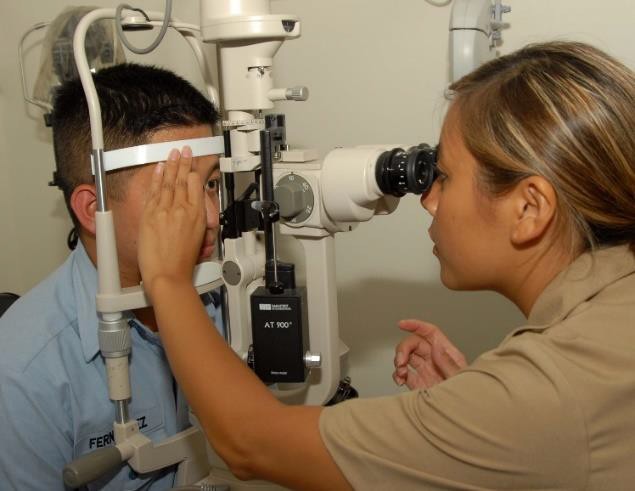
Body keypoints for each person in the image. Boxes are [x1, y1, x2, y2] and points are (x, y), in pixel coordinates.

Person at [137, 41, 635, 490]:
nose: (429, 200)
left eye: (444, 177)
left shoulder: (544, 395)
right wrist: (465, 425)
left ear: (529, 209)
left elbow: (250, 444)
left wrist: (166, 278)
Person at [0, 63, 223, 489]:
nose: (210, 218)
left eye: (211, 184)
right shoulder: (22, 373)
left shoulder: (226, 295)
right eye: (175, 192)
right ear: (92, 210)